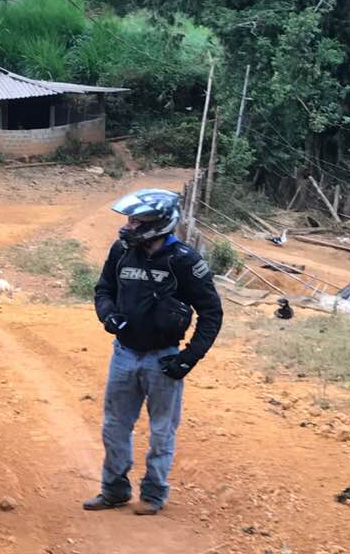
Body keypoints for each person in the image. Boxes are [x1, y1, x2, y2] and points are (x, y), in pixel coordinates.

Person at [84, 188, 223, 516]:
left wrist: (188, 357)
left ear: (158, 224)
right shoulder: (121, 251)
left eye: (136, 221)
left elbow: (211, 312)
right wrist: (108, 314)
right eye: (129, 220)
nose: (128, 226)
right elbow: (103, 289)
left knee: (162, 430)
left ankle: (154, 494)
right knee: (114, 426)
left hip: (164, 358)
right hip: (124, 354)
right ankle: (114, 490)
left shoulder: (184, 261)